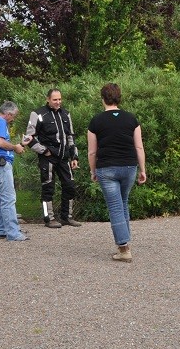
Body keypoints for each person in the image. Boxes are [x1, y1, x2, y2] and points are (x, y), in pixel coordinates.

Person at [86, 83, 147, 262]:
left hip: (107, 168)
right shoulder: (131, 119)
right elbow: (139, 146)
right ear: (119, 97)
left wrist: (93, 171)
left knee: (115, 207)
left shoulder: (96, 121)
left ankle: (124, 248)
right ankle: (125, 243)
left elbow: (92, 152)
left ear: (103, 99)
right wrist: (142, 169)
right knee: (123, 203)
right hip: (129, 167)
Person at [24, 88, 81, 228]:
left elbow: (70, 136)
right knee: (47, 188)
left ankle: (67, 217)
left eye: (60, 99)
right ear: (48, 99)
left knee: (70, 186)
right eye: (55, 99)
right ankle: (48, 218)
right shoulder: (37, 114)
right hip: (48, 157)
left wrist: (74, 156)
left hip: (63, 158)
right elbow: (28, 138)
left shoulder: (66, 114)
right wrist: (44, 151)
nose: (58, 102)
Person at [0, 100, 28, 241]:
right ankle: (13, 233)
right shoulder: (0, 122)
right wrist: (16, 147)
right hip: (1, 165)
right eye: (13, 116)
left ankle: (1, 230)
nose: (13, 119)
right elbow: (0, 142)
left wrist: (19, 145)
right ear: (8, 114)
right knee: (8, 198)